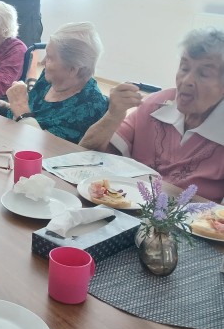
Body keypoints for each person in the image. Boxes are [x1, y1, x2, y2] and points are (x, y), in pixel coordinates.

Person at [80, 27, 224, 201]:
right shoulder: (156, 106)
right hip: (122, 209)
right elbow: (85, 156)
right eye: (184, 68)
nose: (186, 81)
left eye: (204, 74)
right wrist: (114, 114)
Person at [0, 22, 108, 143]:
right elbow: (26, 115)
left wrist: (20, 105)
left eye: (50, 57)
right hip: (8, 143)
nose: (43, 62)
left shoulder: (90, 106)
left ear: (73, 69)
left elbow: (45, 149)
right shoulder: (50, 80)